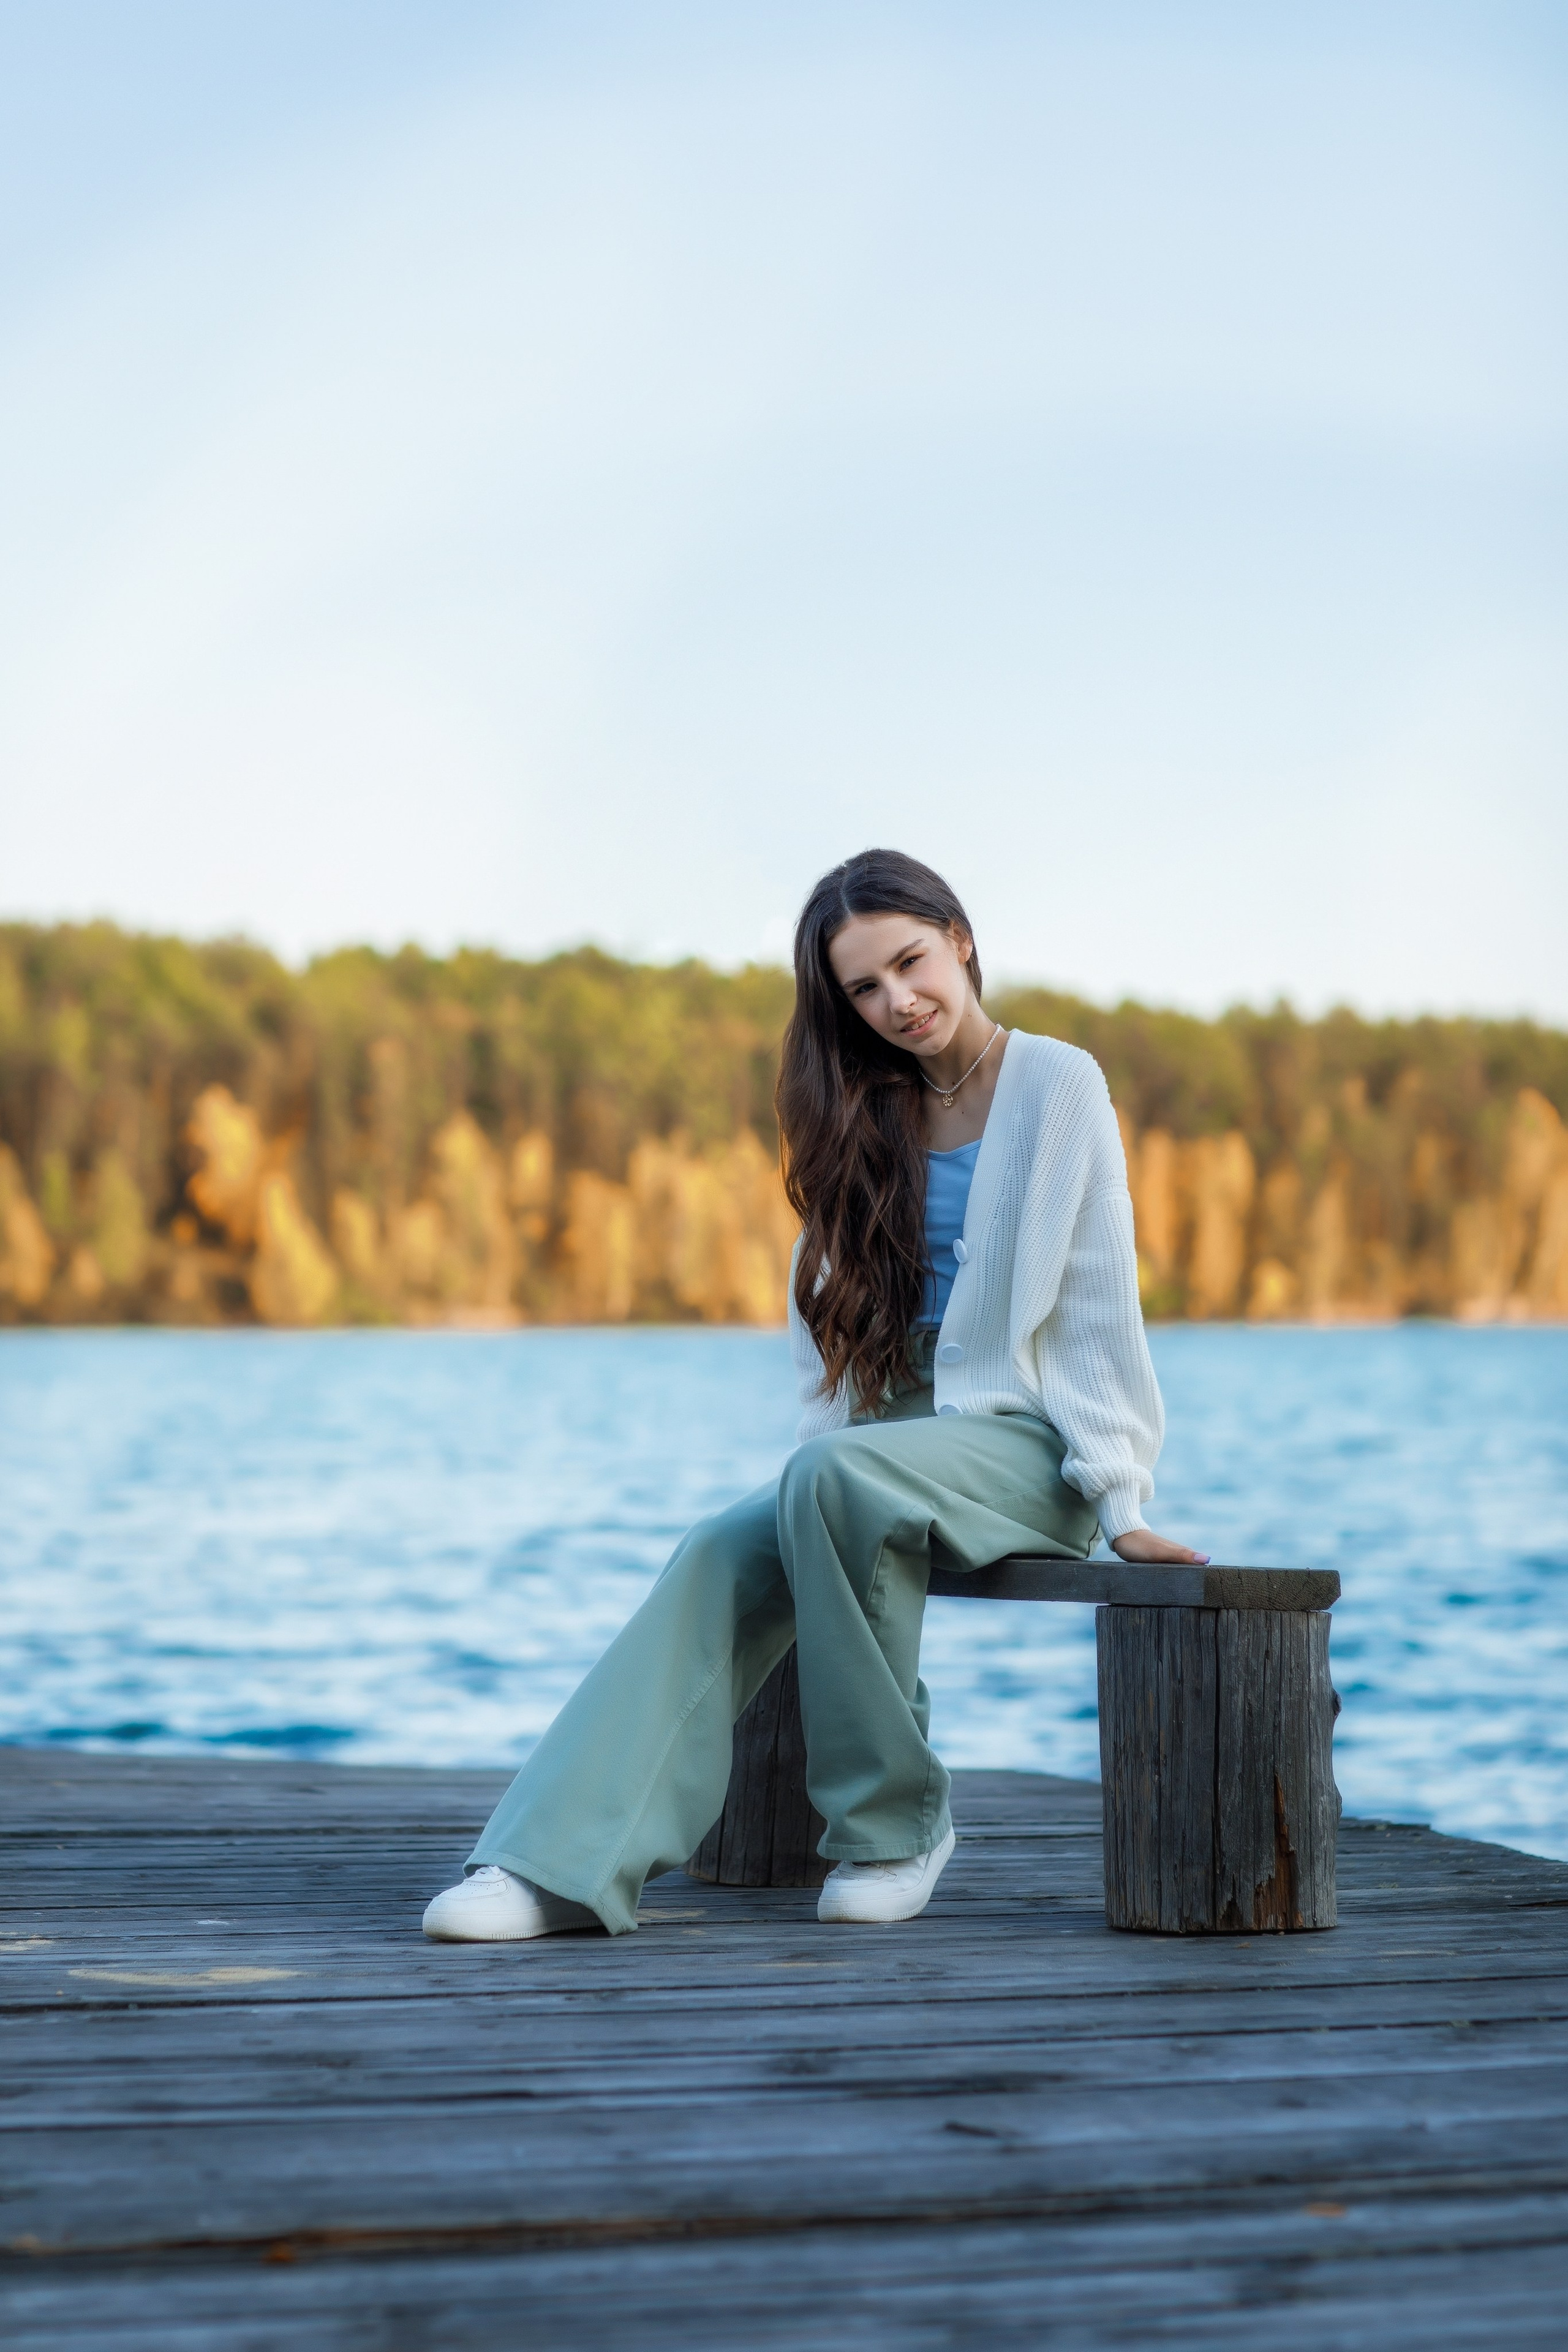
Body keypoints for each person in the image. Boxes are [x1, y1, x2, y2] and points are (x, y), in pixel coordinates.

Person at [423, 849, 1206, 1943]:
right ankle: (553, 1863)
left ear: (960, 939)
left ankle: (896, 1827)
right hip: (870, 1449)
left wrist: (1120, 1502)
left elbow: (1094, 1308)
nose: (900, 1002)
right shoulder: (860, 1106)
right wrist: (815, 1478)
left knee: (833, 1481)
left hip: (1029, 1447)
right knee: (715, 1551)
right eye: (866, 989)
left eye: (912, 962)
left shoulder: (1059, 1084)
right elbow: (824, 1318)